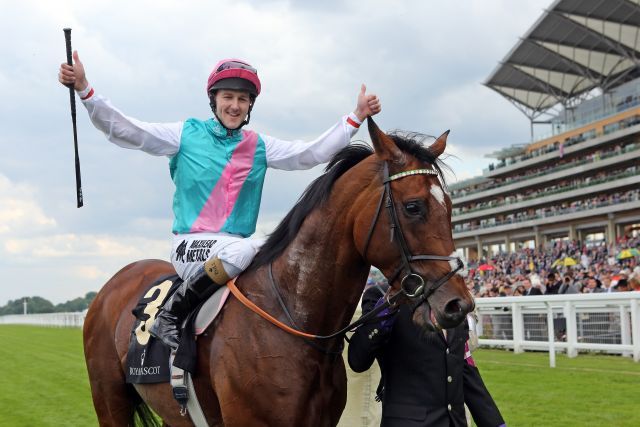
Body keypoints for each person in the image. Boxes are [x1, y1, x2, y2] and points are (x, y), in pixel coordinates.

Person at [59, 52, 381, 349]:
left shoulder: (259, 145)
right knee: (255, 247)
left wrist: (355, 117)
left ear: (250, 106)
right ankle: (172, 312)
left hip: (236, 250)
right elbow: (128, 131)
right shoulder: (185, 134)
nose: (235, 106)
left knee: (259, 252)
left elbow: (310, 154)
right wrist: (87, 91)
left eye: (243, 99)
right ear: (214, 99)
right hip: (191, 246)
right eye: (228, 97)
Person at [348, 283, 505, 427]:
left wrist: (496, 424)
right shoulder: (380, 294)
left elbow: (465, 372)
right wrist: (388, 305)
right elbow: (358, 360)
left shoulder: (453, 299)